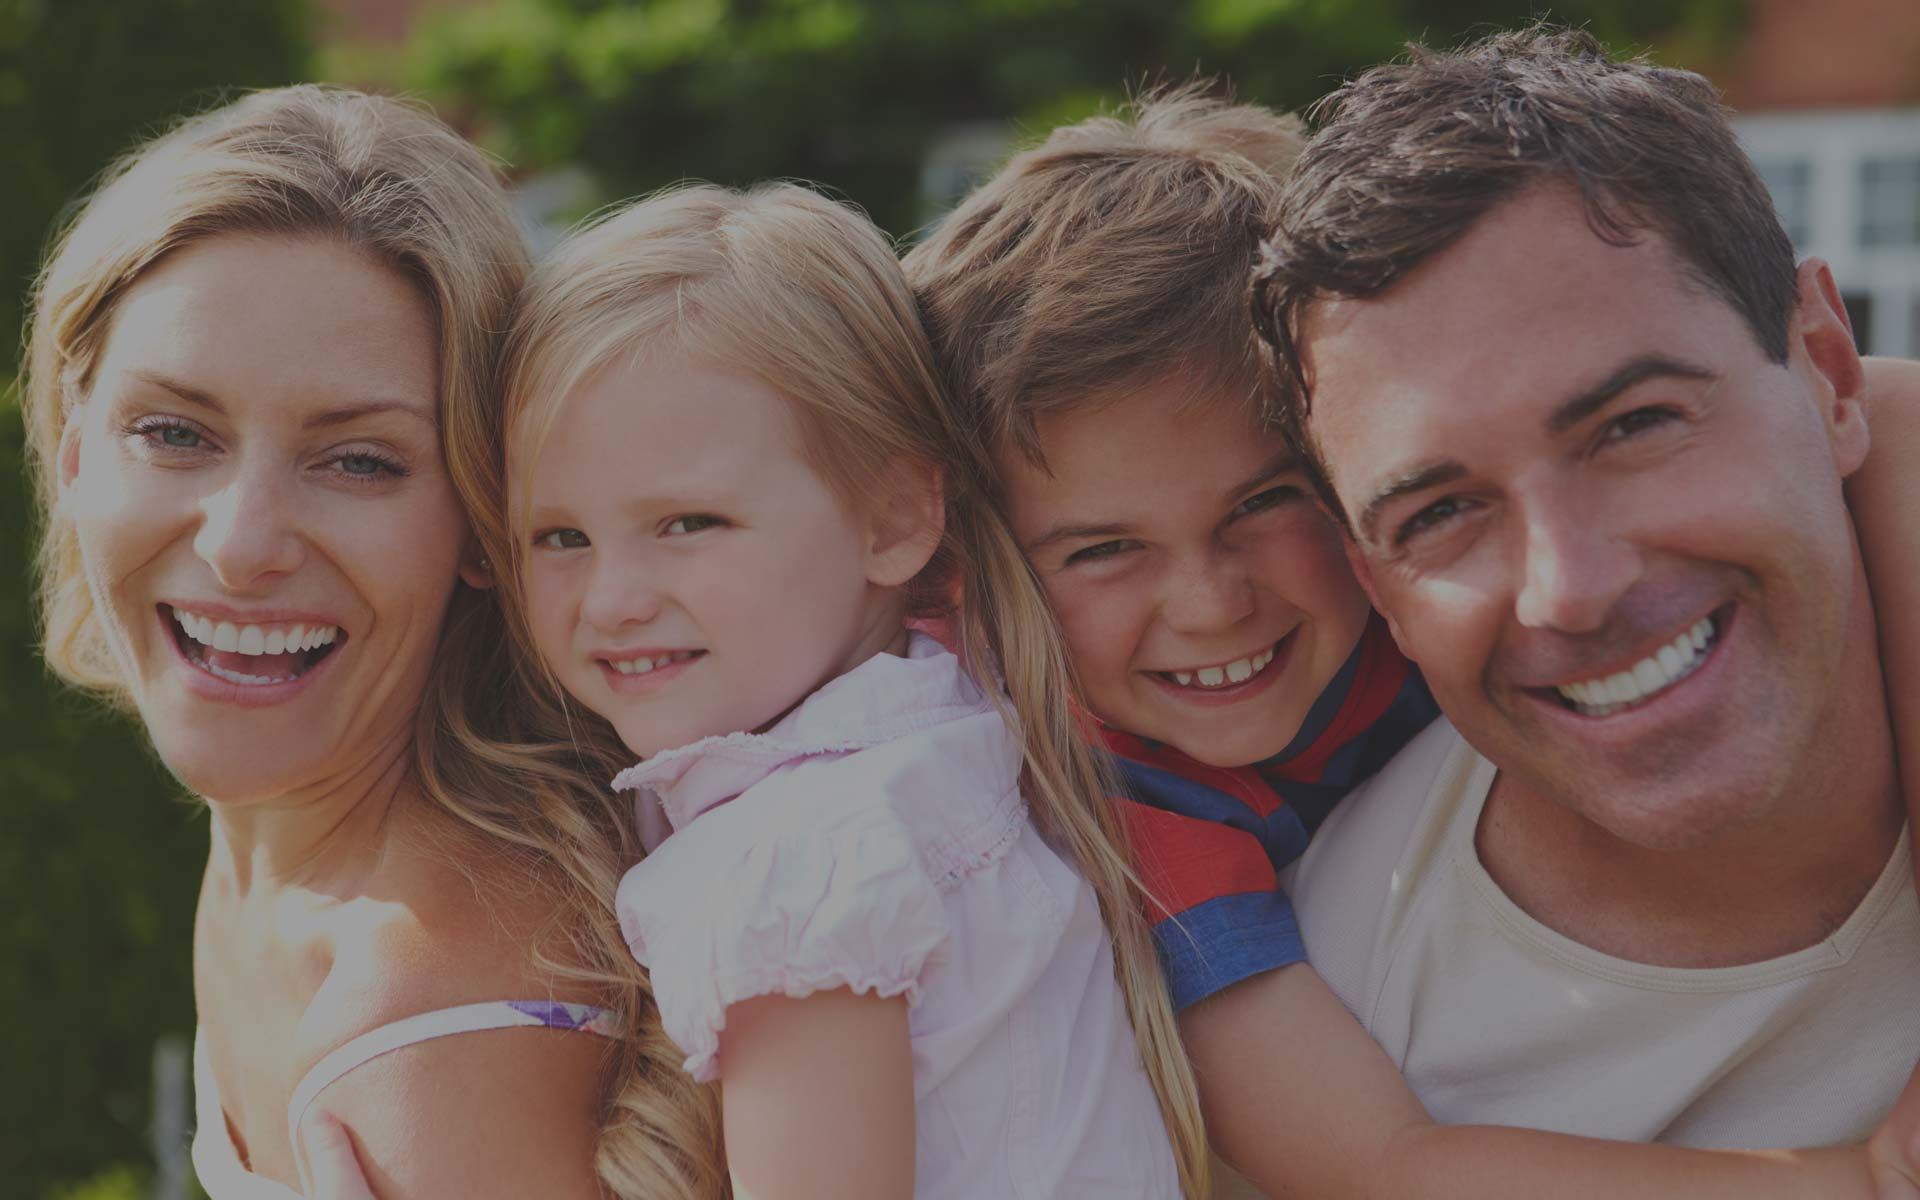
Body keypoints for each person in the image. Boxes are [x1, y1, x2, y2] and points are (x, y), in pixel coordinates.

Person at [907, 84, 1920, 1197]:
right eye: (1102, 550)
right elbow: (1380, 1167)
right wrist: (1868, 1179)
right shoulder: (1121, 812)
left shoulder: (1404, 581)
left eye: (1266, 503)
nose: (1209, 604)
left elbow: (1886, 410)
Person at [1244, 23, 1920, 1194]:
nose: (1570, 585)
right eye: (1441, 513)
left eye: (1635, 424)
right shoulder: (1343, 1026)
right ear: (1377, 587)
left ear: (1828, 367)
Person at [22, 87, 721, 1199]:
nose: (242, 544)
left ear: (486, 521)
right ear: (74, 456)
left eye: (359, 461)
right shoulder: (281, 850)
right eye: (173, 432)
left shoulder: (439, 1029)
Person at [491, 181, 1207, 1199]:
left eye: (688, 523)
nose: (611, 600)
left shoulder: (799, 860)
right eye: (560, 536)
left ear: (895, 521)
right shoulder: (943, 730)